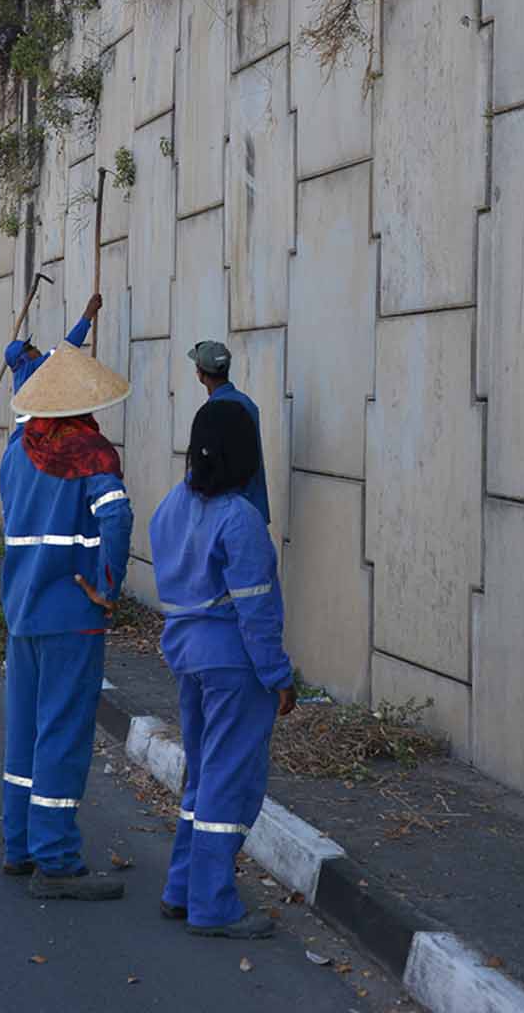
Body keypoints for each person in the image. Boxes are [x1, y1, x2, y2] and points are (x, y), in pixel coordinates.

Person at [149, 395, 294, 938]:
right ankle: (212, 905)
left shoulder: (172, 505)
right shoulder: (241, 519)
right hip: (235, 666)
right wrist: (279, 677)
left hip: (186, 656)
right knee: (229, 782)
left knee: (203, 775)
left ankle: (181, 887)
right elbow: (258, 613)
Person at [0, 341, 135, 900]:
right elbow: (116, 517)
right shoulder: (91, 453)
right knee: (63, 733)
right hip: (73, 613)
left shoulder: (16, 451)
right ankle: (55, 860)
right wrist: (108, 586)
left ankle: (19, 846)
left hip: (21, 609)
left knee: (25, 732)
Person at [1, 293, 102, 445]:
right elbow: (66, 348)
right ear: (24, 358)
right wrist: (88, 315)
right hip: (36, 437)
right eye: (30, 347)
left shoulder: (22, 375)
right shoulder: (32, 369)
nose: (35, 347)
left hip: (24, 436)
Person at [186, 340, 269, 525]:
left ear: (200, 374)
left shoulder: (214, 412)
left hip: (227, 515)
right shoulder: (247, 404)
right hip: (252, 506)